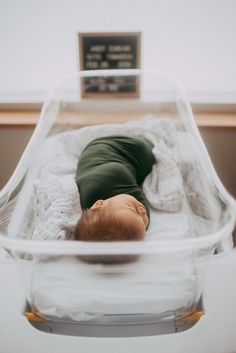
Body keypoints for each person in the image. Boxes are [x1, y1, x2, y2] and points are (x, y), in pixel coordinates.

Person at [75, 135, 155, 242]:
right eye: (143, 221)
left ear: (98, 204)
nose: (142, 210)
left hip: (121, 148)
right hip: (98, 153)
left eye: (131, 208)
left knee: (147, 154)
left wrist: (143, 223)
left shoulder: (113, 178)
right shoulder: (98, 214)